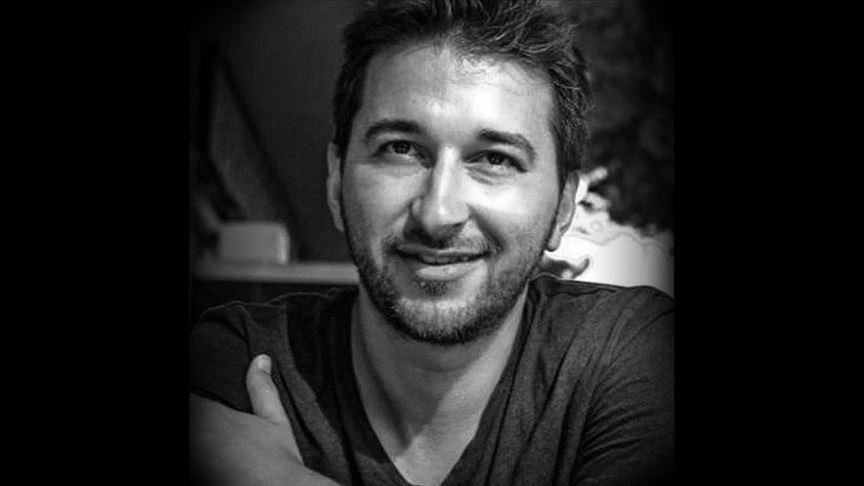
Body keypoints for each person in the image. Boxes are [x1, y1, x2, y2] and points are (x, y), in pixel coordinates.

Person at [189, 1, 674, 485]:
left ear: (563, 206)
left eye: (495, 159)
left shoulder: (636, 354)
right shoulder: (247, 358)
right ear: (336, 182)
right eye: (400, 149)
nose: (438, 214)